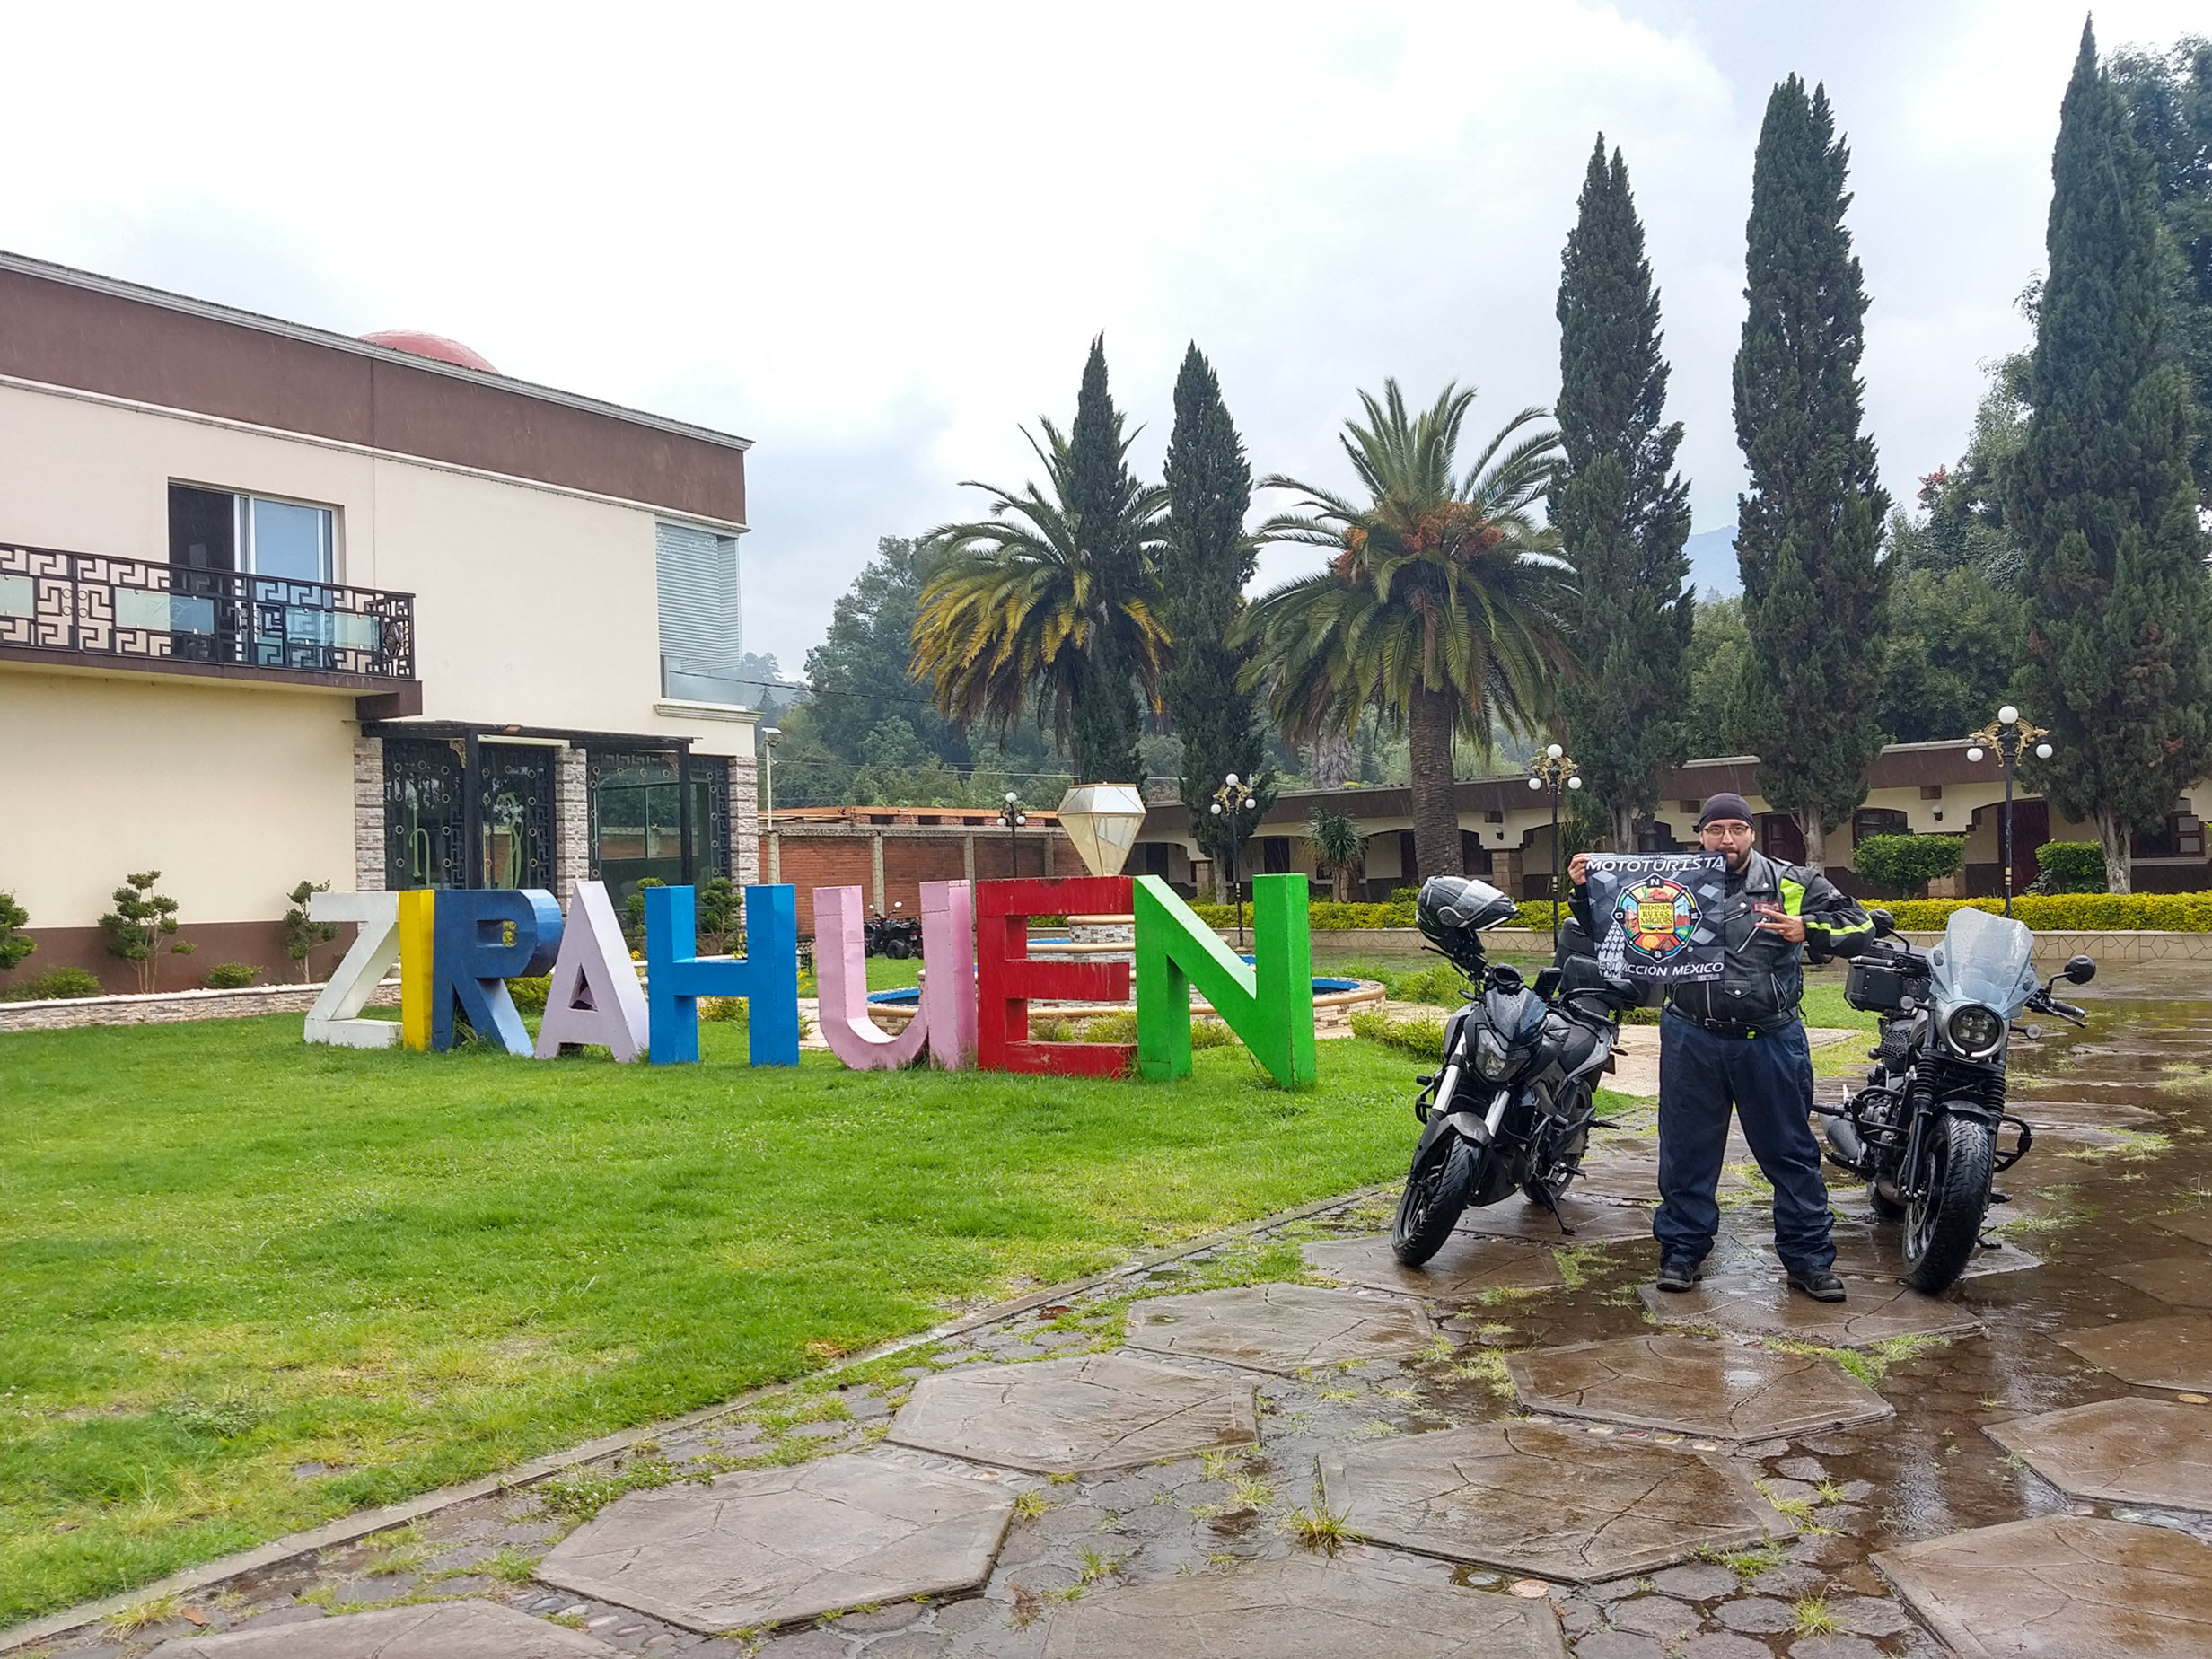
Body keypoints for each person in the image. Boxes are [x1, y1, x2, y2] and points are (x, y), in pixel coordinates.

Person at [1568, 793, 1872, 1302]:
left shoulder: (1790, 882)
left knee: (1791, 1154)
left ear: (1751, 833)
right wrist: (1584, 890)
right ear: (1700, 834)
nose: (1726, 839)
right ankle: (1682, 1253)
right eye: (1715, 830)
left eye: (1736, 828)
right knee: (1686, 1153)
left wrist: (1810, 930)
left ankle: (1809, 1262)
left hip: (1771, 1040)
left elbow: (1860, 926)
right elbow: (1608, 926)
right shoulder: (1671, 881)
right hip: (1692, 1037)